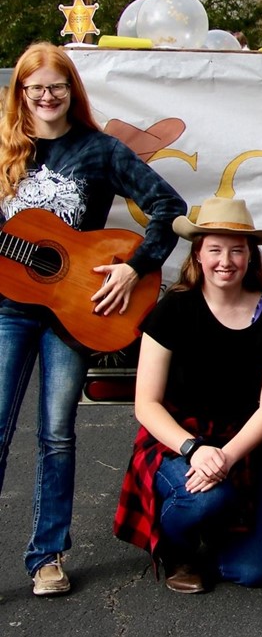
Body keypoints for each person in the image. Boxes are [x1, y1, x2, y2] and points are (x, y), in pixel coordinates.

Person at [0, 41, 184, 596]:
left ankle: (46, 557)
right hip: (10, 306)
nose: (47, 97)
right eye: (36, 89)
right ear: (22, 94)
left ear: (70, 90)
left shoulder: (100, 150)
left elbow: (168, 206)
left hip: (75, 311)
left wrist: (136, 266)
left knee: (56, 434)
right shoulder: (6, 150)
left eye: (56, 86)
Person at [113, 197, 262, 594]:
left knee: (253, 571)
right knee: (206, 499)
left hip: (241, 443)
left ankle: (223, 532)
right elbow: (146, 403)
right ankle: (179, 548)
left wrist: (227, 455)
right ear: (198, 254)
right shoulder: (174, 310)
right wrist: (194, 449)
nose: (225, 260)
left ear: (250, 257)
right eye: (215, 249)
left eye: (236, 250)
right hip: (180, 439)